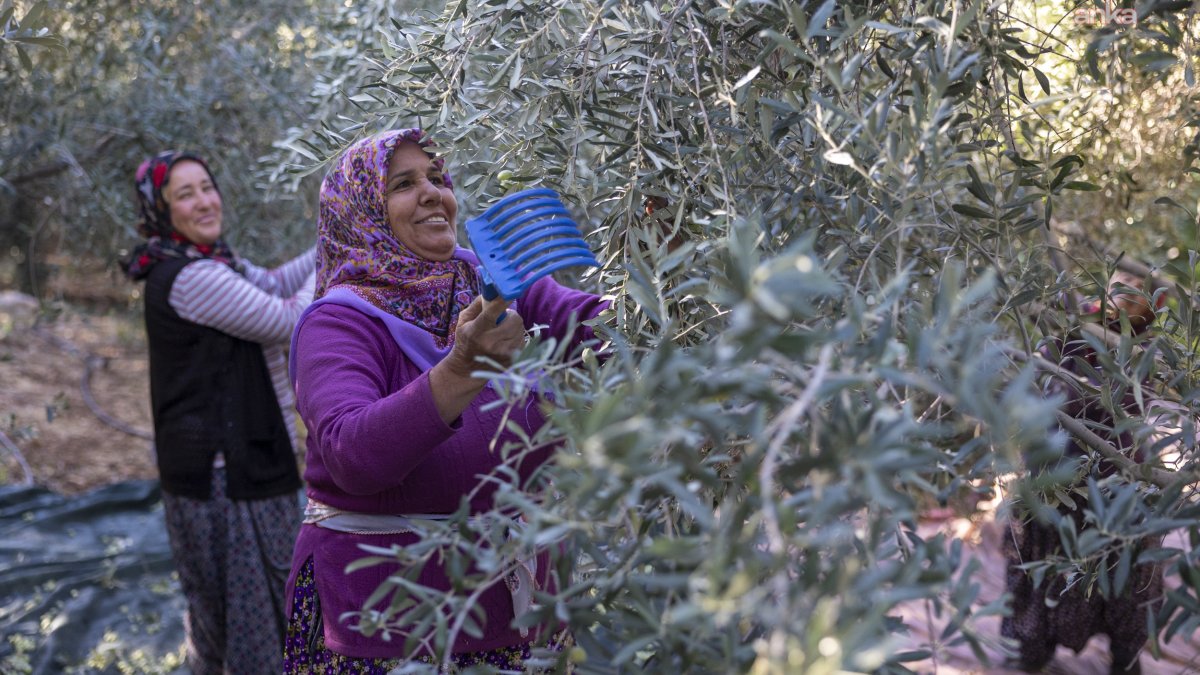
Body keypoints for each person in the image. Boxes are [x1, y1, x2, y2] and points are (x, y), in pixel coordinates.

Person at [281, 128, 608, 673]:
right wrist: (463, 368)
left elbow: (610, 332)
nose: (433, 192)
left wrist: (669, 271)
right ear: (360, 210)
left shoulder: (496, 284)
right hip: (383, 625)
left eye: (438, 178)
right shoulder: (337, 321)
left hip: (516, 618)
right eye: (404, 184)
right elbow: (353, 455)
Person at [123, 150, 316, 675]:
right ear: (161, 211)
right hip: (227, 478)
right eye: (184, 194)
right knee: (258, 623)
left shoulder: (211, 262)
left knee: (230, 622)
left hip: (232, 468)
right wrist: (346, 247)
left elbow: (275, 284)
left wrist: (337, 236)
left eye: (207, 186)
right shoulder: (190, 278)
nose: (205, 201)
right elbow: (289, 318)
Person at [1003, 269, 1165, 674]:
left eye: (1128, 291)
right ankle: (1032, 658)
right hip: (1054, 478)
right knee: (1041, 574)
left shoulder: (1143, 346)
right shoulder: (1068, 330)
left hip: (1117, 484)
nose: (1114, 297)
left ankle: (1124, 663)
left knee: (1125, 583)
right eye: (1113, 287)